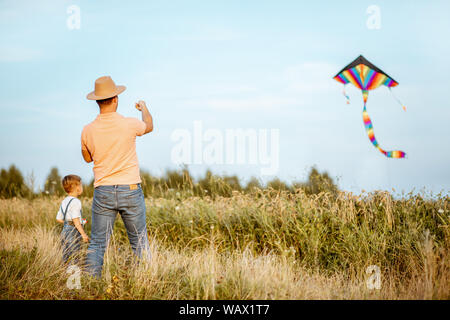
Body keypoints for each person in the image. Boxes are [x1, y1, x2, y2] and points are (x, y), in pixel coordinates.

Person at [82, 76, 153, 278]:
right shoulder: (129, 124)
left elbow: (87, 158)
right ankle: (146, 283)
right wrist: (144, 108)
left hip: (103, 190)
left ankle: (90, 285)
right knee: (139, 241)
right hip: (130, 189)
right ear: (115, 99)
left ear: (97, 101)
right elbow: (148, 125)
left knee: (97, 242)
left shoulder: (87, 130)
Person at [56, 174, 89, 265]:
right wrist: (83, 234)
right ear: (76, 187)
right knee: (74, 256)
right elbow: (75, 220)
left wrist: (68, 223)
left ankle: (65, 275)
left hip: (65, 231)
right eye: (81, 185)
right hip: (73, 232)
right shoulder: (76, 202)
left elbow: (58, 219)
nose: (82, 187)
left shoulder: (64, 201)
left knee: (66, 255)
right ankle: (74, 277)